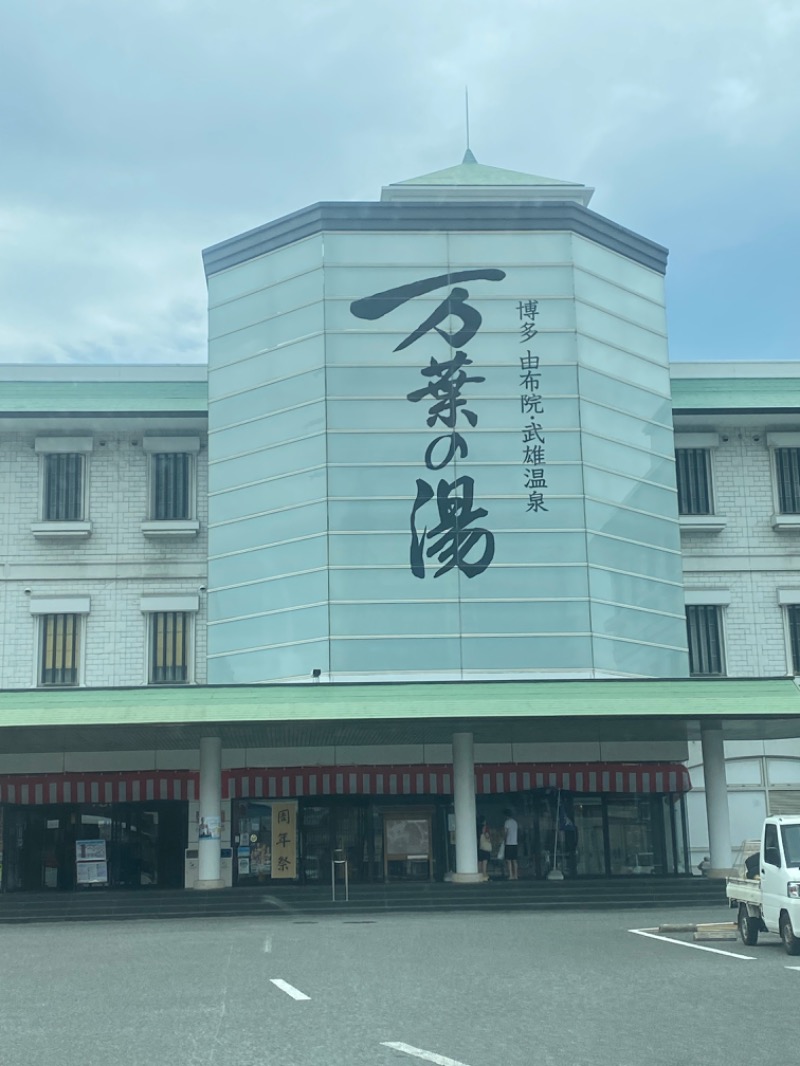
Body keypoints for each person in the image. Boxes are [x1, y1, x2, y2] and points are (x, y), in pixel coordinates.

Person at [503, 808, 519, 880]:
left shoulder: (507, 822)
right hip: (515, 843)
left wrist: (504, 840)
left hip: (509, 843)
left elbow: (506, 833)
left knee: (508, 860)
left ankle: (511, 875)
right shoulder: (515, 822)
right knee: (514, 860)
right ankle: (516, 875)